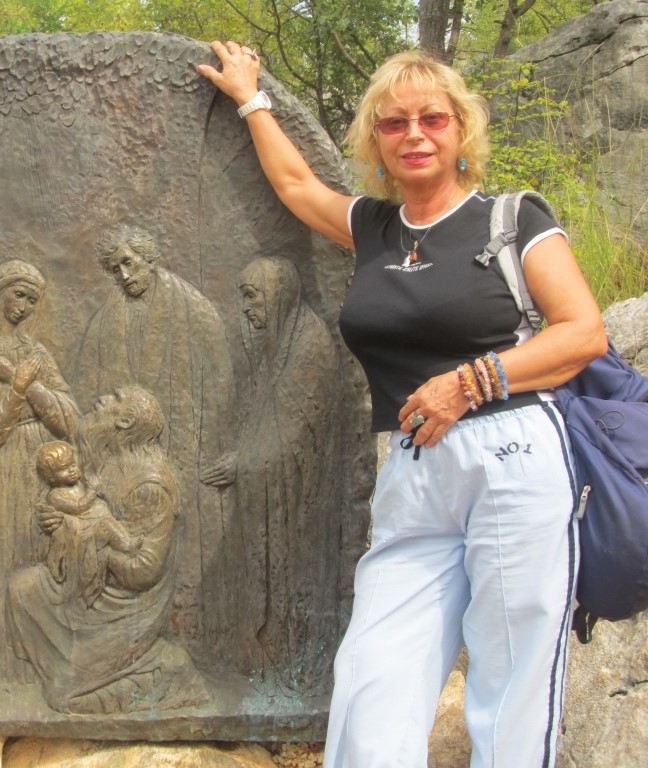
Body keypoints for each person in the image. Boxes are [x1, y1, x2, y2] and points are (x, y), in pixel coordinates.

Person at [198, 44, 607, 767]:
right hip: (413, 469)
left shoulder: (512, 219)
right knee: (374, 673)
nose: (414, 134)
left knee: (511, 675)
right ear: (377, 141)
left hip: (511, 455)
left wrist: (469, 381)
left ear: (461, 130)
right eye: (394, 123)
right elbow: (296, 185)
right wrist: (249, 97)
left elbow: (582, 333)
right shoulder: (376, 228)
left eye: (432, 119)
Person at [71, 224, 234, 661]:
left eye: (128, 262)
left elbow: (221, 386)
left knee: (188, 549)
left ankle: (192, 641)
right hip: (128, 454)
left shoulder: (195, 311)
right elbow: (89, 382)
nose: (123, 275)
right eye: (114, 269)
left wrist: (212, 446)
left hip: (185, 446)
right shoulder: (106, 319)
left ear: (148, 258)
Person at [7, 387, 210, 714]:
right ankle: (70, 666)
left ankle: (161, 672)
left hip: (124, 606)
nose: (102, 399)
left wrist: (93, 545)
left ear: (126, 421)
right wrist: (58, 522)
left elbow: (144, 570)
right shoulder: (108, 461)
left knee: (68, 698)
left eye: (115, 399)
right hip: (84, 584)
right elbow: (80, 509)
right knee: (23, 588)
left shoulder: (149, 485)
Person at [200, 256, 342, 691]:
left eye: (252, 296)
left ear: (278, 295)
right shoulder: (281, 342)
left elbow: (297, 433)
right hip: (266, 486)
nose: (245, 308)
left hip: (297, 501)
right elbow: (267, 418)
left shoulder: (309, 345)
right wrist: (244, 455)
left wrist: (242, 462)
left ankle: (286, 664)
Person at [0, 259, 80, 676]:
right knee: (5, 559)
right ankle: (2, 659)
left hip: (38, 469)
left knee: (37, 559)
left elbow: (66, 420)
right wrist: (21, 390)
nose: (24, 307)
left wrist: (22, 383)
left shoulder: (36, 354)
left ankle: (36, 660)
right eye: (18, 295)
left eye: (32, 300)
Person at [36, 440, 143, 607]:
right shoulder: (55, 496)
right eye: (64, 469)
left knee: (108, 522)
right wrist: (92, 493)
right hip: (84, 529)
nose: (72, 470)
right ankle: (126, 546)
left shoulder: (78, 484)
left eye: (72, 465)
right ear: (51, 477)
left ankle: (127, 543)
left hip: (95, 519)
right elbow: (78, 507)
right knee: (106, 525)